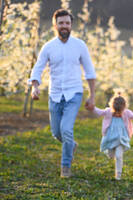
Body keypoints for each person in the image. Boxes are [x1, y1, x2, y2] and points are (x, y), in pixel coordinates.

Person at [28, 9, 97, 178]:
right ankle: (71, 144)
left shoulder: (80, 45)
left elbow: (90, 72)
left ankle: (65, 166)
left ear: (71, 25)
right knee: (56, 133)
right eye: (61, 23)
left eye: (67, 23)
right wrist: (34, 86)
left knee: (66, 129)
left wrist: (92, 95)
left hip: (74, 94)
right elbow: (38, 68)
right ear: (55, 25)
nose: (64, 26)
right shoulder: (48, 47)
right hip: (55, 95)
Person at [93, 91, 133, 180]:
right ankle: (111, 153)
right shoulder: (108, 111)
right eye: (116, 112)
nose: (118, 114)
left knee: (119, 156)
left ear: (124, 107)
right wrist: (92, 107)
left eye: (120, 112)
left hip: (121, 139)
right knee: (111, 155)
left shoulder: (126, 112)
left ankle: (118, 175)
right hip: (110, 138)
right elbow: (99, 112)